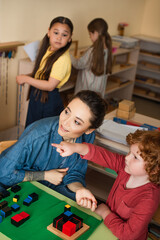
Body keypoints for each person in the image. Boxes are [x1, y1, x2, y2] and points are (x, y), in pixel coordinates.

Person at [52, 130, 160, 240]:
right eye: (129, 152)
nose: (127, 158)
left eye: (135, 157)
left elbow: (128, 235)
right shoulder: (125, 167)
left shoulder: (149, 198)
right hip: (106, 225)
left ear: (154, 170)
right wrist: (74, 147)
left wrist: (105, 212)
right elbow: (101, 154)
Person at [0, 90, 107, 200]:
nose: (65, 123)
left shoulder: (88, 136)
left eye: (76, 122)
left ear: (89, 130)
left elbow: (75, 173)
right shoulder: (37, 134)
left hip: (53, 190)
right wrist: (45, 175)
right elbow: (4, 174)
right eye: (67, 112)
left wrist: (79, 189)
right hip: (19, 189)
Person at [16, 16, 73, 127]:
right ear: (48, 32)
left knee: (41, 132)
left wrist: (26, 79)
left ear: (70, 38)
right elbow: (43, 74)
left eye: (64, 35)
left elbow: (50, 85)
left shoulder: (62, 59)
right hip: (38, 96)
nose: (59, 38)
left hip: (48, 100)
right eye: (56, 33)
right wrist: (27, 76)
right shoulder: (48, 49)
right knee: (32, 128)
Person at [71, 18, 112, 97]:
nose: (89, 37)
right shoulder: (107, 49)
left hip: (86, 93)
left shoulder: (92, 51)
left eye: (90, 34)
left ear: (95, 33)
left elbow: (78, 64)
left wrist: (68, 55)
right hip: (98, 93)